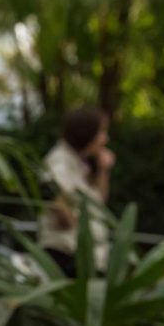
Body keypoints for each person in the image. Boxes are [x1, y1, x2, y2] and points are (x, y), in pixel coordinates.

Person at [37, 106, 115, 275]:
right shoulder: (59, 163)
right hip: (68, 258)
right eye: (102, 132)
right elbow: (61, 211)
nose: (105, 139)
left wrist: (103, 170)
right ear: (86, 133)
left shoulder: (80, 163)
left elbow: (100, 203)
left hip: (87, 257)